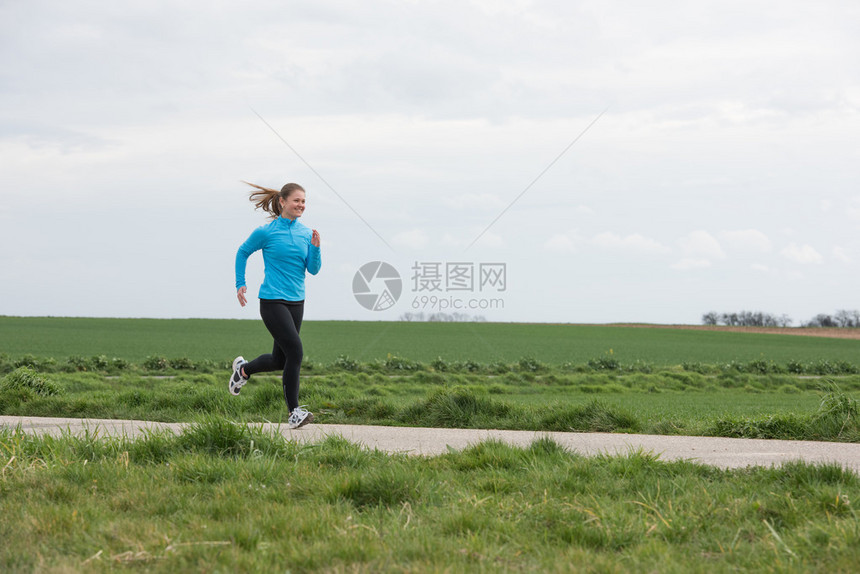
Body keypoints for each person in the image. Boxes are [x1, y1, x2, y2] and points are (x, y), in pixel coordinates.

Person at [229, 181, 322, 429]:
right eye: (297, 200)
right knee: (296, 351)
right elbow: (242, 252)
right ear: (283, 201)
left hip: (296, 302)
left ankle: (244, 370)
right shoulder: (266, 232)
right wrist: (241, 283)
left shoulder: (306, 233)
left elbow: (312, 270)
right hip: (272, 301)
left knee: (280, 360)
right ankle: (294, 413)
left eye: (304, 201)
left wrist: (315, 249)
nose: (301, 205)